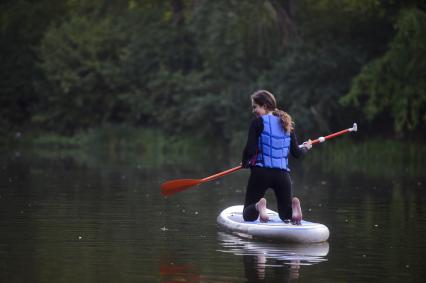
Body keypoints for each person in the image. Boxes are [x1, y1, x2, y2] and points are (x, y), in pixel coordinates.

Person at [241, 90, 312, 225]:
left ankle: (259, 206)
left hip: (261, 173)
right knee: (285, 215)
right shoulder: (287, 124)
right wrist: (307, 147)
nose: (253, 110)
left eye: (255, 106)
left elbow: (249, 149)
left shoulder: (257, 123)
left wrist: (245, 163)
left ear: (265, 106)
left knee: (247, 216)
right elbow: (297, 153)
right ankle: (294, 210)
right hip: (282, 176)